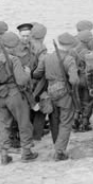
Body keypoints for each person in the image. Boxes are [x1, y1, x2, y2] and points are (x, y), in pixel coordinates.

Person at [0, 31, 38, 164]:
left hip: (1, 95)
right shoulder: (14, 59)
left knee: (4, 125)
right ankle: (26, 152)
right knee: (24, 123)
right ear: (15, 45)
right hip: (14, 95)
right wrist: (27, 73)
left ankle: (4, 154)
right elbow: (21, 81)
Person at [33, 33, 79, 161]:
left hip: (50, 92)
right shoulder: (69, 59)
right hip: (65, 94)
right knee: (65, 123)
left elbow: (37, 73)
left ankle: (56, 145)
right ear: (70, 46)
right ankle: (59, 151)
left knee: (54, 121)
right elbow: (74, 80)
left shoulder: (46, 57)